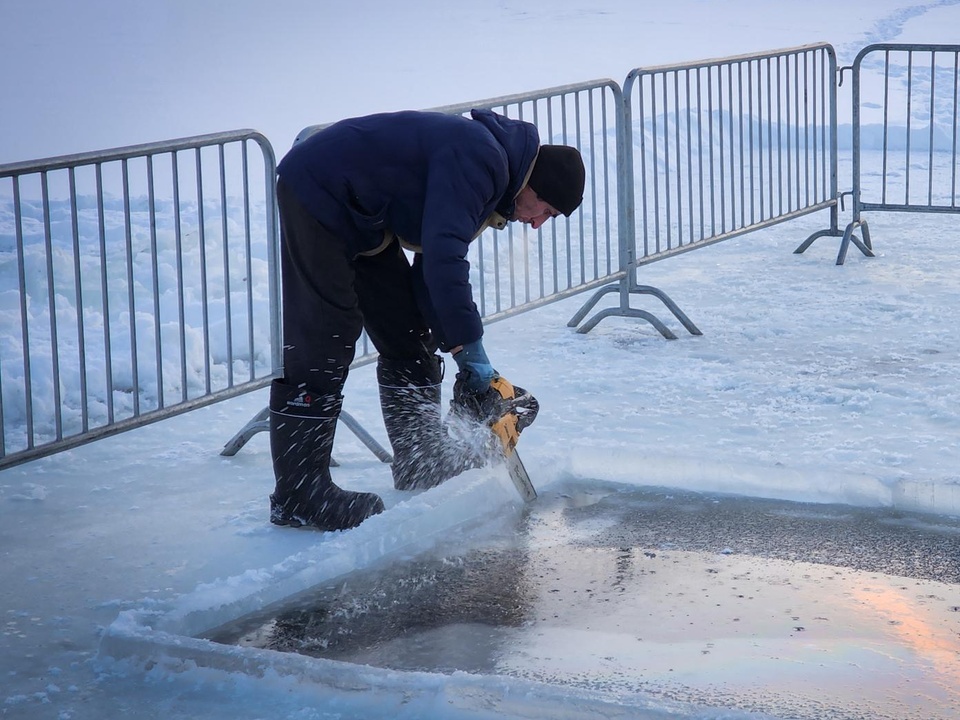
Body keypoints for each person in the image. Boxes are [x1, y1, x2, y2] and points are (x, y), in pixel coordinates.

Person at [269, 108, 586, 531]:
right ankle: (299, 494)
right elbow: (443, 262)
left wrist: (460, 354)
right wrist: (473, 356)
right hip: (320, 192)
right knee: (327, 335)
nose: (537, 224)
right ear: (532, 184)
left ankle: (418, 461)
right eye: (544, 209)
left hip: (366, 213)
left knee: (407, 329)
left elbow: (428, 278)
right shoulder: (483, 161)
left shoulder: (495, 177)